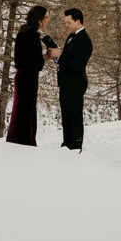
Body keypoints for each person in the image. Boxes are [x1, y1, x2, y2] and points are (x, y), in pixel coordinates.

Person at [48, 8, 93, 151]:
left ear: (78, 21)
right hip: (65, 82)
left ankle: (76, 145)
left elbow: (77, 66)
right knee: (66, 114)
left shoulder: (85, 41)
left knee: (74, 115)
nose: (66, 26)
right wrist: (56, 56)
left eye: (68, 23)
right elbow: (67, 59)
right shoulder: (71, 36)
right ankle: (66, 142)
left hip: (75, 83)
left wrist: (60, 55)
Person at [5, 5, 50, 146]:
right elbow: (36, 63)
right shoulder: (33, 36)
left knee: (20, 110)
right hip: (28, 78)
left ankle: (18, 140)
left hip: (22, 76)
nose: (48, 20)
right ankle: (24, 142)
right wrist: (45, 58)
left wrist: (41, 58)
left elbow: (23, 59)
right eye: (46, 17)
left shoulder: (23, 33)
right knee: (26, 111)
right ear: (39, 19)